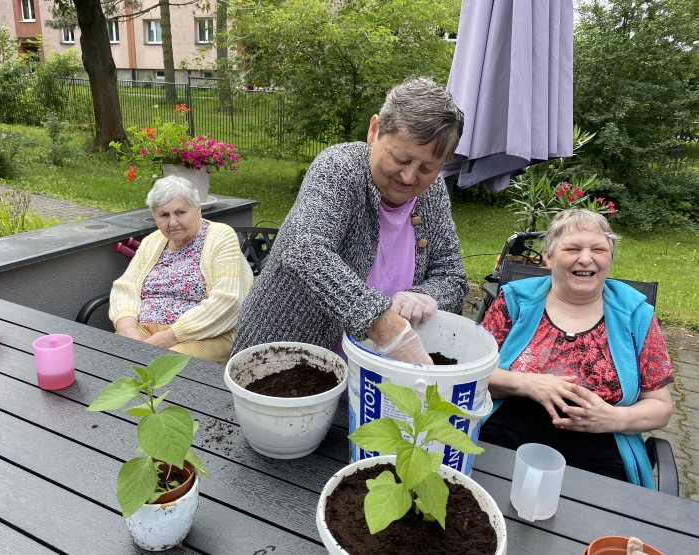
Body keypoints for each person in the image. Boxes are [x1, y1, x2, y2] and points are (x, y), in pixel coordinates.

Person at [232, 77, 468, 364]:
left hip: (375, 379)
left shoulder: (432, 193)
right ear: (374, 131)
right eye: (401, 159)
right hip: (283, 362)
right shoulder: (340, 167)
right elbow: (305, 251)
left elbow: (451, 277)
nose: (409, 177)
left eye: (427, 167)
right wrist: (383, 323)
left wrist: (424, 297)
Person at [479, 209, 674, 488]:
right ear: (548, 257)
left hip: (601, 444)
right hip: (508, 432)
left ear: (609, 258)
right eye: (572, 248)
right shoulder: (515, 301)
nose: (586, 258)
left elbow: (661, 407)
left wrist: (613, 418)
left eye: (598, 249)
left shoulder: (636, 315)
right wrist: (527, 383)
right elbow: (472, 376)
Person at [109, 175, 253, 363]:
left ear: (198, 209)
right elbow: (126, 286)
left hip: (203, 334)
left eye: (180, 212)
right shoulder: (153, 240)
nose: (172, 222)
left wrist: (169, 336)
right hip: (144, 330)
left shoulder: (220, 236)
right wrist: (127, 328)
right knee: (112, 358)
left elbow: (228, 299)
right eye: (164, 215)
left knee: (159, 369)